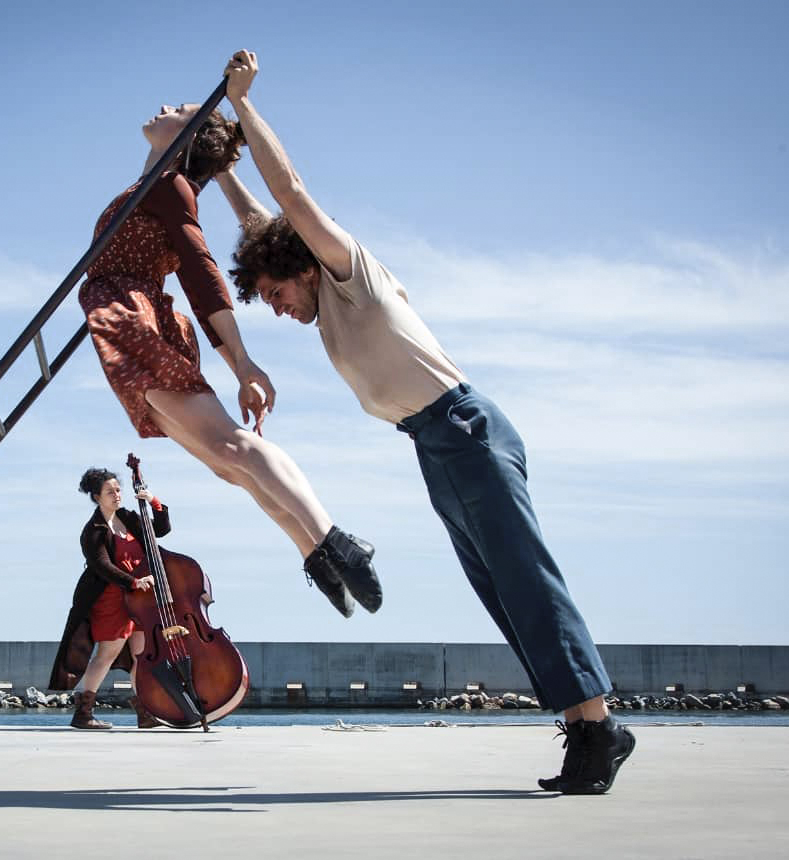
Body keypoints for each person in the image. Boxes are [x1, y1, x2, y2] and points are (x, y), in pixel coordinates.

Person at [214, 50, 635, 795]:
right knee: (502, 592)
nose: (275, 309)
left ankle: (597, 730)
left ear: (304, 265)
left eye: (276, 294)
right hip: (433, 445)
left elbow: (290, 196)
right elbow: (260, 222)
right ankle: (587, 727)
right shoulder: (319, 301)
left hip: (466, 429)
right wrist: (220, 168)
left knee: (528, 580)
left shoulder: (350, 276)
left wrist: (243, 107)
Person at [76, 101, 380, 617]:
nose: (166, 106)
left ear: (192, 137)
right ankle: (315, 554)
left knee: (233, 446)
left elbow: (200, 272)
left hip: (134, 322)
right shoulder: (156, 185)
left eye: (181, 109)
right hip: (122, 322)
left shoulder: (171, 187)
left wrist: (242, 363)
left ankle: (334, 541)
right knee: (226, 464)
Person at [49, 467, 162, 730]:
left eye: (118, 490)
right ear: (97, 497)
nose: (117, 495)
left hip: (138, 598)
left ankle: (145, 713)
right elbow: (102, 566)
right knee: (107, 654)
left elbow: (160, 530)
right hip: (111, 598)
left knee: (140, 655)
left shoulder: (129, 518)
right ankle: (83, 713)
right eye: (110, 491)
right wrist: (133, 581)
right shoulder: (93, 530)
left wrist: (153, 502)